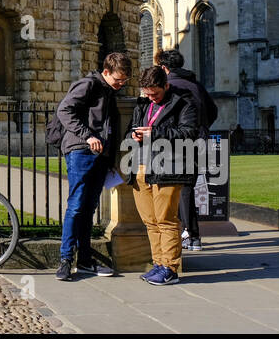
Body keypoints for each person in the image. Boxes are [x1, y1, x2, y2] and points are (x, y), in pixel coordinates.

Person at [54, 51, 130, 281]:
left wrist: (110, 159)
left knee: (88, 209)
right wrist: (87, 136)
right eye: (118, 79)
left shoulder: (108, 90)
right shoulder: (88, 85)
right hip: (81, 151)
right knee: (76, 206)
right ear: (106, 72)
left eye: (125, 81)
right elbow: (64, 110)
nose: (121, 84)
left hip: (101, 156)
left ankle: (85, 260)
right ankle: (66, 259)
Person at [128, 65, 199, 286]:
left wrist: (155, 133)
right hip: (142, 165)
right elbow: (132, 128)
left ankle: (170, 268)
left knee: (166, 220)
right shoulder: (144, 104)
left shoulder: (184, 103)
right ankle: (158, 263)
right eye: (147, 93)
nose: (151, 97)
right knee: (150, 221)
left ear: (166, 86)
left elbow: (189, 133)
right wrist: (133, 134)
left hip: (169, 167)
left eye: (155, 93)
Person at [154, 47, 218, 252]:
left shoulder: (169, 86)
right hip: (199, 140)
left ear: (164, 68)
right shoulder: (196, 85)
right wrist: (203, 127)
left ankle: (189, 234)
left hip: (176, 143)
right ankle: (192, 235)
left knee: (176, 189)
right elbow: (213, 110)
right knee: (187, 187)